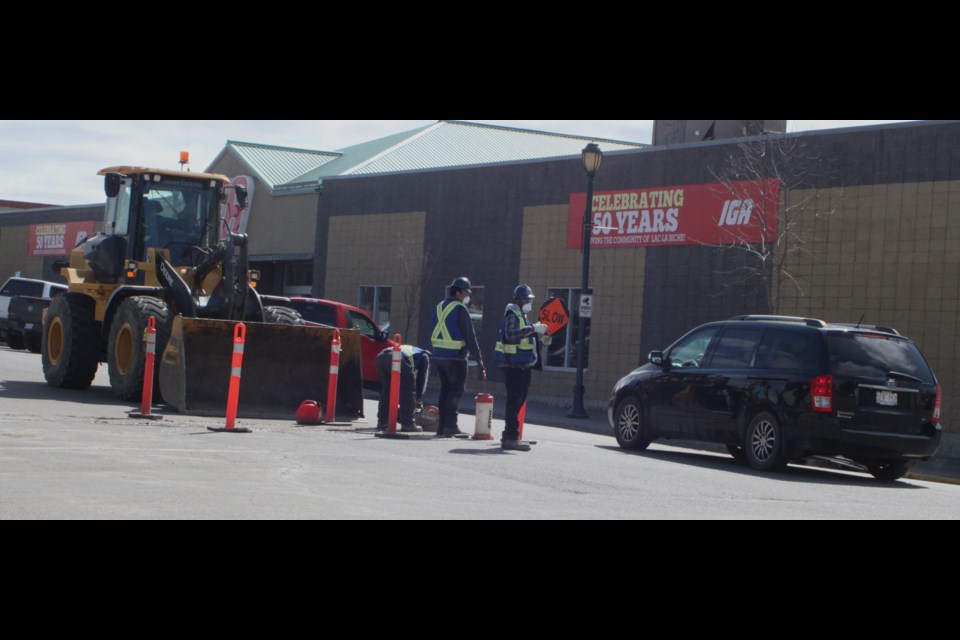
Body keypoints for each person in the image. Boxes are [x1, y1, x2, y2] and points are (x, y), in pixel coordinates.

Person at [430, 276, 486, 437]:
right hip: (456, 358)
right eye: (466, 292)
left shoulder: (440, 306)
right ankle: (451, 426)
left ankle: (441, 427)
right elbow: (470, 336)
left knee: (445, 390)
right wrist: (479, 358)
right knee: (456, 391)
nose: (467, 296)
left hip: (440, 357)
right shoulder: (460, 309)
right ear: (459, 292)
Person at [494, 284, 547, 451]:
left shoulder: (521, 315)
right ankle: (511, 437)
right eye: (527, 299)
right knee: (514, 401)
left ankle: (509, 435)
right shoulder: (513, 314)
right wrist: (533, 328)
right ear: (518, 300)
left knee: (518, 400)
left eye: (530, 300)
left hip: (522, 364)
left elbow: (524, 341)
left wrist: (541, 342)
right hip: (514, 365)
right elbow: (511, 335)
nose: (529, 302)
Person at [376, 344, 431, 432]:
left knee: (387, 390)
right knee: (407, 392)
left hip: (381, 357)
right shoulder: (424, 356)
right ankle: (408, 424)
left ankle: (383, 422)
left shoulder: (411, 350)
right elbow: (422, 379)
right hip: (397, 358)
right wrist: (419, 398)